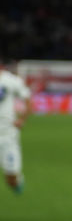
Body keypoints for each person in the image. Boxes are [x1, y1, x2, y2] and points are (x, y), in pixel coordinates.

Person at [0, 63, 32, 195]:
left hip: (7, 135)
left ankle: (16, 180)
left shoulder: (11, 80)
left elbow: (28, 101)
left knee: (11, 179)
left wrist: (22, 119)